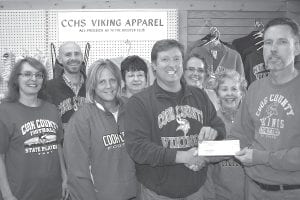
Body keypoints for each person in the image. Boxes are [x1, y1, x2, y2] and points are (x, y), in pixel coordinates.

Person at [124, 39, 226, 200]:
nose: (172, 65)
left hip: (197, 190)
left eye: (177, 59)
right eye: (165, 59)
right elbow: (138, 148)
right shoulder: (139, 102)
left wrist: (213, 133)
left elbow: (220, 129)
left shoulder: (199, 95)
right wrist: (182, 156)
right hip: (157, 193)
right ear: (154, 66)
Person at [229, 17, 300, 200]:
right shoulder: (254, 89)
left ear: (297, 47)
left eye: (282, 42)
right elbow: (239, 136)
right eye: (268, 43)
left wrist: (261, 157)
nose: (273, 49)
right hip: (252, 190)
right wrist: (205, 151)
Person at [63, 59, 137, 200]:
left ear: (119, 82)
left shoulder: (132, 109)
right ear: (92, 85)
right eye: (101, 82)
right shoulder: (81, 119)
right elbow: (77, 173)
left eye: (112, 80)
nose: (108, 86)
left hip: (135, 194)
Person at [0, 57, 67, 200]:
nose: (34, 79)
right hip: (20, 194)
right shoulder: (4, 112)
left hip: (53, 192)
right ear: (16, 79)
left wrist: (65, 177)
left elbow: (57, 147)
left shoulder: (51, 109)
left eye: (39, 75)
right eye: (27, 74)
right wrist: (6, 194)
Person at [209, 70, 247, 200]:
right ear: (217, 94)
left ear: (241, 92)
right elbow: (205, 157)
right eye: (224, 89)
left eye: (234, 89)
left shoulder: (251, 120)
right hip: (220, 194)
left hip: (249, 193)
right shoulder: (210, 122)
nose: (229, 94)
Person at [41, 41, 86, 129]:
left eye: (77, 54)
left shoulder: (93, 85)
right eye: (68, 55)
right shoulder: (48, 88)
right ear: (59, 59)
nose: (73, 58)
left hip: (91, 141)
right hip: (62, 142)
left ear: (82, 57)